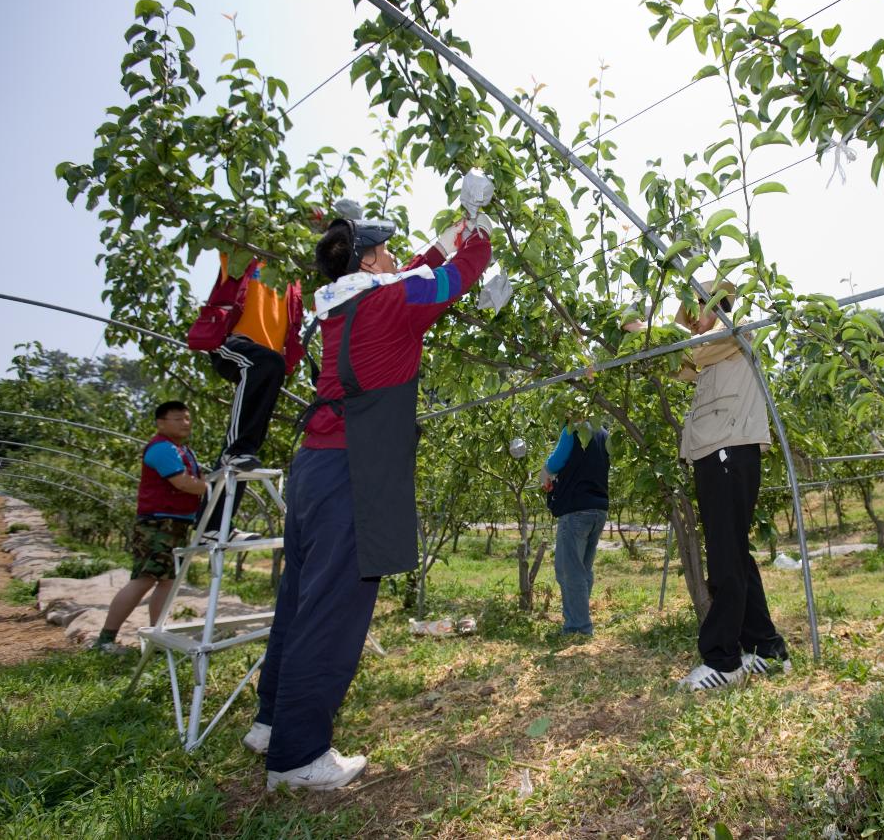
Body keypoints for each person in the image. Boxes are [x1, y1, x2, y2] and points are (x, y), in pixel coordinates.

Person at [246, 180, 494, 792]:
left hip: (315, 468)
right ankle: (299, 757)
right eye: (383, 251)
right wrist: (480, 231)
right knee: (332, 613)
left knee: (300, 603)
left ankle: (272, 723)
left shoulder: (342, 302)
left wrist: (454, 226)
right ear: (366, 260)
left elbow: (413, 270)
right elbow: (449, 279)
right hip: (351, 475)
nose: (392, 257)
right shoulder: (390, 303)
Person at [623, 280, 789, 691]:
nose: (692, 322)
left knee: (725, 558)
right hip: (717, 453)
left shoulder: (738, 329)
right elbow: (678, 365)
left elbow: (690, 349)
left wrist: (649, 330)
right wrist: (640, 337)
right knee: (734, 552)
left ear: (716, 304)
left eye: (696, 310)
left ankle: (724, 659)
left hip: (729, 452)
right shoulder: (710, 353)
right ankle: (766, 649)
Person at [199, 251, 305, 542]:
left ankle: (214, 526)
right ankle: (235, 452)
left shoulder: (294, 277)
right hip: (232, 341)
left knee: (248, 443)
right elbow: (230, 229)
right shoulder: (246, 255)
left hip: (267, 360)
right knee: (240, 445)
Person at [93, 401, 206, 653]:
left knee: (166, 580)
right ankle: (105, 638)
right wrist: (210, 487)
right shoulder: (162, 449)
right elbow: (184, 483)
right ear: (161, 422)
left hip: (175, 522)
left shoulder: (181, 449)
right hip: (158, 523)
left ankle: (158, 636)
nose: (185, 423)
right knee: (144, 578)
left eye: (187, 418)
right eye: (178, 418)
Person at [540, 420, 610, 636]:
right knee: (583, 569)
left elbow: (556, 462)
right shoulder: (604, 433)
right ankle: (578, 618)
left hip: (576, 509)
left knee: (569, 571)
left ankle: (578, 627)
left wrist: (544, 473)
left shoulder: (572, 429)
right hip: (598, 509)